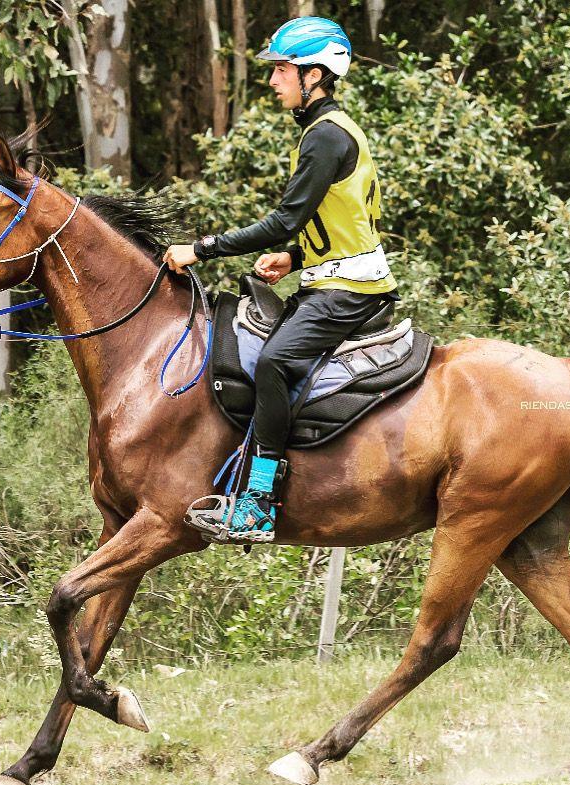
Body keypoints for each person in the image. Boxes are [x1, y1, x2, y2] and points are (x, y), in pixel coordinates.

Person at [163, 16, 398, 542]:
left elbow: (284, 218)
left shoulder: (326, 137)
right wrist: (296, 258)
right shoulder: (326, 132)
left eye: (283, 69)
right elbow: (339, 218)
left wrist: (202, 249)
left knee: (273, 363)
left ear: (314, 75)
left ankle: (259, 503)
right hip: (329, 276)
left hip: (349, 291)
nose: (274, 80)